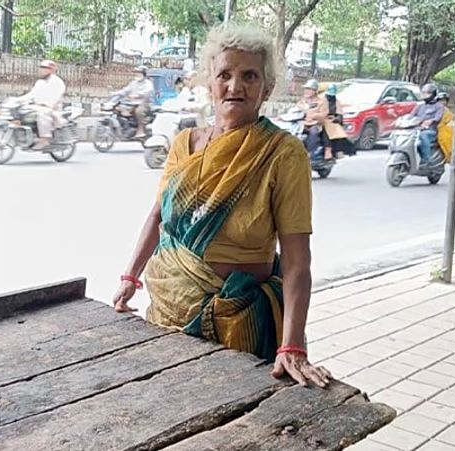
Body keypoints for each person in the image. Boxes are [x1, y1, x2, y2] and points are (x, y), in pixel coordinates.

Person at [112, 23, 331, 388]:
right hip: (168, 308)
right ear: (209, 83)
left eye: (249, 75)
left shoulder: (282, 153)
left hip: (239, 321)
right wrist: (130, 278)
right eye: (224, 75)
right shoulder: (185, 143)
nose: (235, 86)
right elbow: (157, 215)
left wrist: (292, 345)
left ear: (267, 88)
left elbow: (296, 259)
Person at [16, 60, 66, 150]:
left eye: (44, 68)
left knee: (43, 114)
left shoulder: (57, 82)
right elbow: (31, 95)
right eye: (41, 68)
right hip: (37, 107)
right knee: (23, 111)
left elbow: (57, 96)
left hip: (52, 109)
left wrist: (48, 104)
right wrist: (17, 100)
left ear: (51, 70)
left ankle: (44, 139)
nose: (41, 70)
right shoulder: (39, 82)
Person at [406, 83, 445, 168]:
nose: (424, 95)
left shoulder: (439, 106)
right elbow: (411, 116)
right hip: (416, 129)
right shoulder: (419, 106)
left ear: (433, 94)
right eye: (423, 93)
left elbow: (438, 118)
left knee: (423, 136)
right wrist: (404, 120)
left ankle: (426, 160)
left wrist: (431, 121)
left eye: (427, 93)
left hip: (431, 131)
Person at [115, 65, 155, 138]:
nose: (137, 74)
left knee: (138, 111)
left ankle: (141, 130)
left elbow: (147, 92)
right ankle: (126, 128)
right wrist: (116, 93)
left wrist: (138, 95)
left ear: (144, 74)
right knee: (119, 109)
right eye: (136, 73)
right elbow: (126, 90)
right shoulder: (133, 83)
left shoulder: (148, 84)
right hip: (132, 104)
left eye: (139, 73)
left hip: (144, 104)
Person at [297, 79, 331, 161]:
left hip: (315, 124)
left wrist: (314, 115)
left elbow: (324, 114)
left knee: (313, 133)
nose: (306, 91)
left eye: (309, 89)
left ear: (314, 91)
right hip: (302, 124)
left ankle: (309, 153)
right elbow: (296, 110)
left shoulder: (322, 101)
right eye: (306, 89)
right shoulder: (302, 101)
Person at [322, 83, 355, 158]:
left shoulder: (336, 102)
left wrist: (336, 119)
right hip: (321, 119)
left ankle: (337, 151)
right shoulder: (321, 100)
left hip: (332, 121)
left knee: (340, 133)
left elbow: (339, 114)